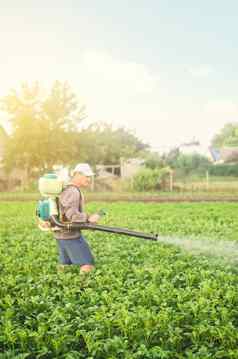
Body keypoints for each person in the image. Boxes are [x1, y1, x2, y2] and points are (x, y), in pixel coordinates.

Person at [54, 163, 100, 273]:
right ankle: (82, 288)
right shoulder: (73, 191)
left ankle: (59, 284)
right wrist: (88, 218)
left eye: (90, 177)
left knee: (65, 264)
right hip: (70, 235)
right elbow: (72, 215)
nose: (89, 179)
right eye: (87, 176)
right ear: (77, 174)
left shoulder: (66, 189)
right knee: (88, 265)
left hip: (60, 234)